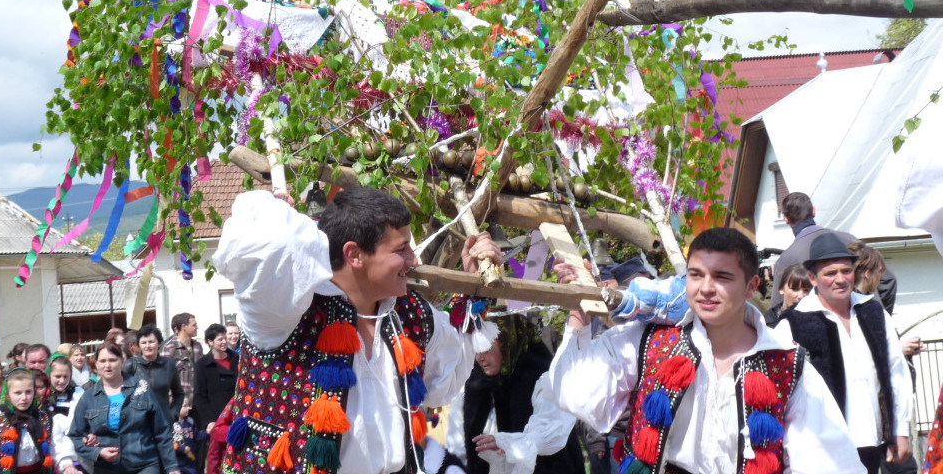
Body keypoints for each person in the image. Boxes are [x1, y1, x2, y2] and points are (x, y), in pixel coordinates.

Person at [212, 187, 503, 474]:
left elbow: (444, 380)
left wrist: (471, 285)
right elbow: (255, 249)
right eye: (401, 249)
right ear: (354, 254)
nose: (413, 260)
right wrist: (277, 217)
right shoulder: (284, 312)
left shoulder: (409, 314)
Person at [551, 227, 865, 474]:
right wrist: (579, 314)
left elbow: (826, 461)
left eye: (722, 277)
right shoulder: (647, 341)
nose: (706, 288)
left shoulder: (785, 362)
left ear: (751, 285)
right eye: (696, 275)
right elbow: (575, 394)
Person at [775, 232, 913, 474]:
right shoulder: (792, 324)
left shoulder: (874, 313)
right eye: (830, 273)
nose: (840, 279)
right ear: (813, 278)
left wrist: (899, 430)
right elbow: (779, 392)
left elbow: (896, 373)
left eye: (846, 271)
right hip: (816, 451)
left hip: (869, 441)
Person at [445, 314, 585, 474]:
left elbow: (549, 433)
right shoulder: (477, 385)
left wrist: (510, 444)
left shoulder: (538, 378)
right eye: (476, 350)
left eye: (486, 349)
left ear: (507, 344)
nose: (480, 358)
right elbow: (461, 444)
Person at [772, 192, 898, 313]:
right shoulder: (850, 240)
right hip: (871, 323)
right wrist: (882, 316)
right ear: (814, 212)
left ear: (786, 219)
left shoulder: (785, 260)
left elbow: (778, 308)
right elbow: (887, 280)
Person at [68, 342, 180, 474]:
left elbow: (161, 431)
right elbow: (75, 436)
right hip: (106, 468)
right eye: (103, 361)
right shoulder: (88, 397)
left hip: (144, 465)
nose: (107, 365)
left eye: (112, 360)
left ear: (122, 361)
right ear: (96, 364)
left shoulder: (141, 389)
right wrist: (97, 452)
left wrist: (172, 467)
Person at [0, 369, 55, 474]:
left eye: (28, 392)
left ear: (34, 391)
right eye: (18, 393)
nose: (24, 398)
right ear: (8, 395)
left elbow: (56, 446)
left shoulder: (44, 417)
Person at [123, 324, 184, 422]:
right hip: (138, 423)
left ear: (159, 343)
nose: (147, 346)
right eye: (143, 342)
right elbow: (121, 393)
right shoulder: (130, 365)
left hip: (163, 422)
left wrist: (173, 414)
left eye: (151, 342)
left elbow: (179, 394)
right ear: (139, 345)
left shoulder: (169, 365)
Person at [193, 323, 238, 433]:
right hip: (217, 418)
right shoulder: (202, 364)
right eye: (220, 339)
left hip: (237, 414)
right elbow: (200, 396)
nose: (224, 342)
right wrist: (209, 421)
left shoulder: (237, 359)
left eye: (225, 338)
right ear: (210, 342)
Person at [45, 357, 84, 474]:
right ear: (49, 375)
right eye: (57, 376)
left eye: (65, 376)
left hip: (74, 450)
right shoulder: (44, 396)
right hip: (51, 449)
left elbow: (76, 424)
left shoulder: (78, 393)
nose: (61, 381)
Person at [160, 313, 202, 421]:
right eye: (194, 325)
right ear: (184, 327)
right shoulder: (169, 348)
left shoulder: (197, 347)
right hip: (178, 408)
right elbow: (165, 380)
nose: (197, 327)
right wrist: (174, 406)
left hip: (196, 406)